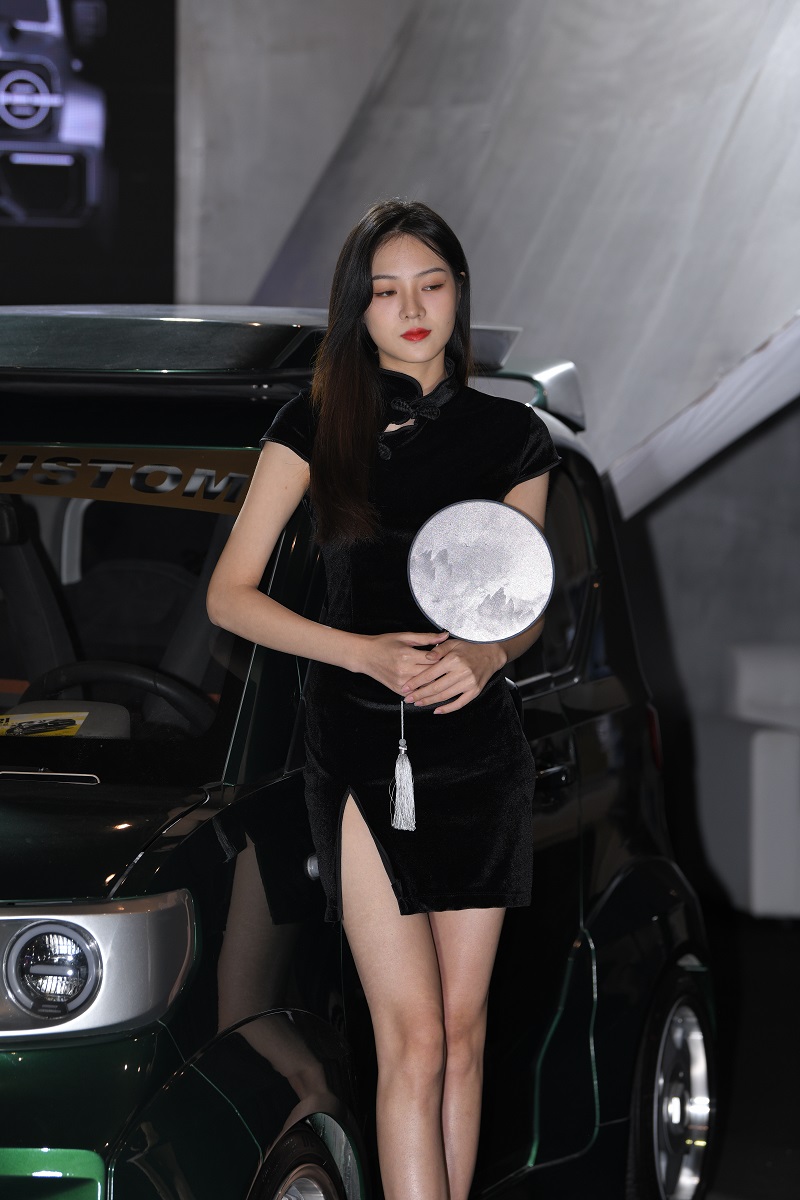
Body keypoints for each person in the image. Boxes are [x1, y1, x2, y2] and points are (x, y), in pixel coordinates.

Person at [207, 198, 559, 1200]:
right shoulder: (315, 424)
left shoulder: (512, 435)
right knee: (410, 1037)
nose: (410, 310)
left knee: (461, 1033)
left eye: (430, 286)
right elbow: (229, 595)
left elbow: (525, 603)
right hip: (361, 753)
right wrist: (358, 654)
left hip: (478, 755)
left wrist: (489, 657)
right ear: (356, 310)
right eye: (385, 291)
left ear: (457, 294)